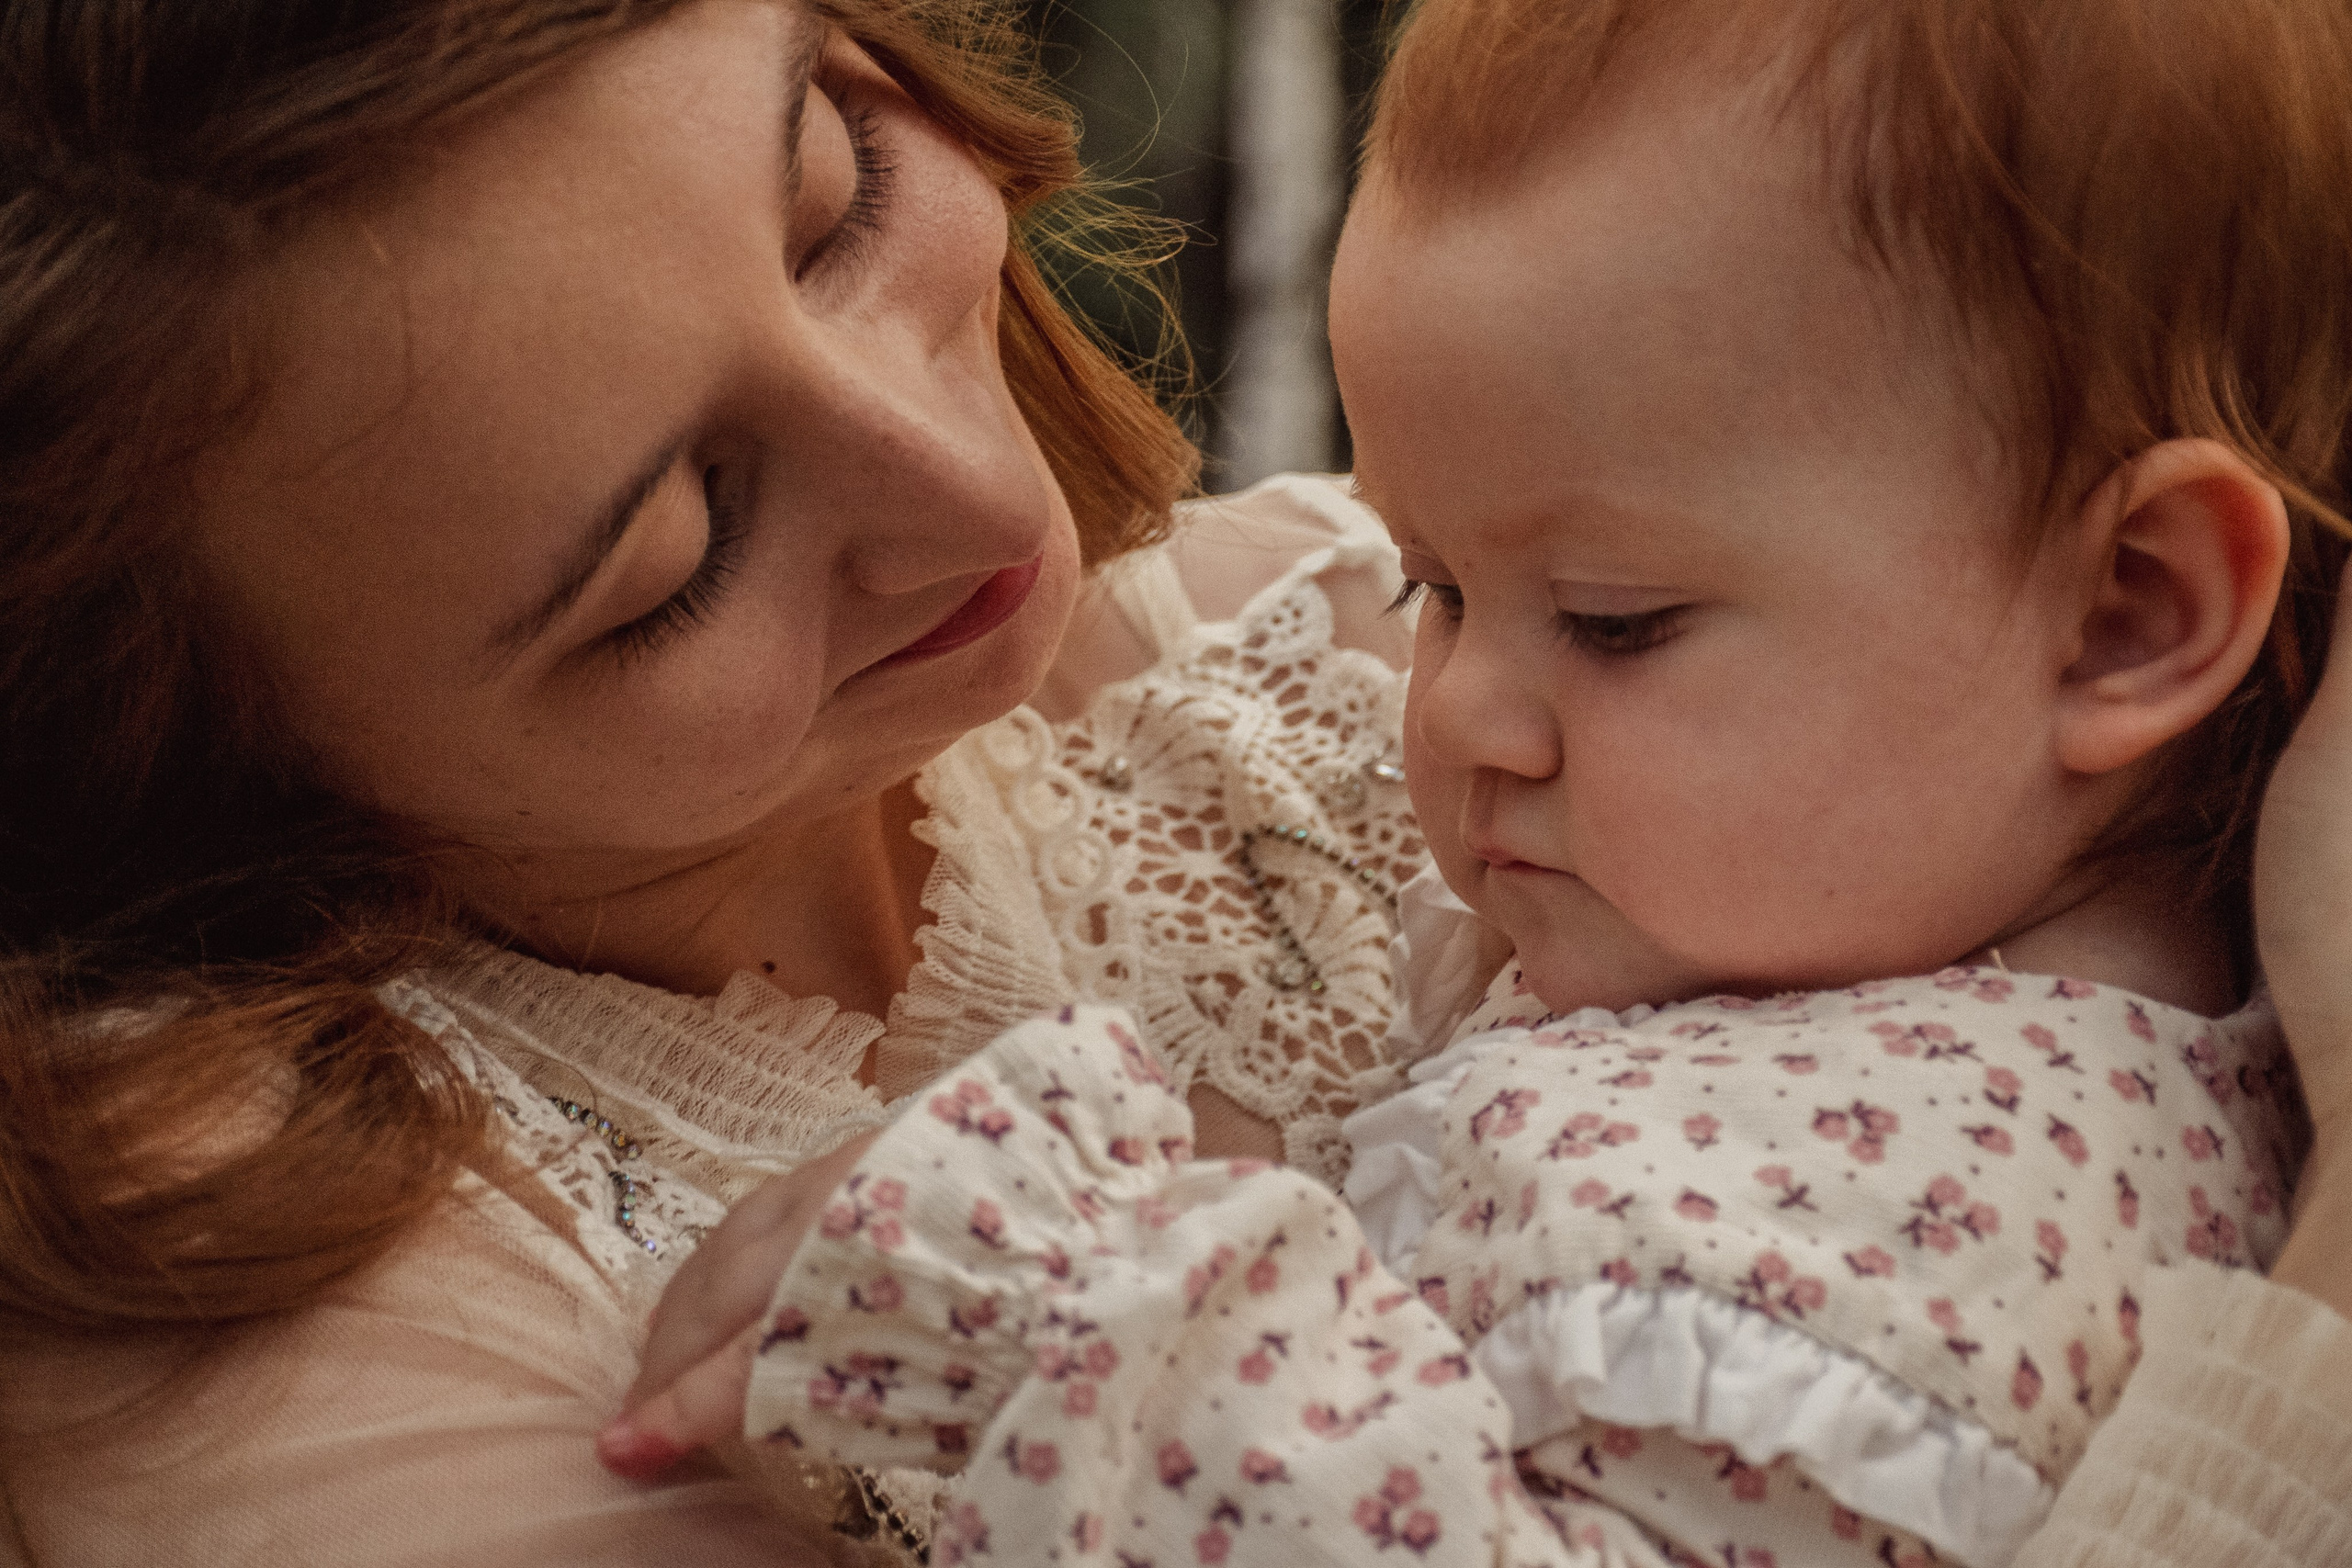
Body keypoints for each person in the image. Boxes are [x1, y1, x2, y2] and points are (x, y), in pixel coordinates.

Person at [624, 0, 2352, 1563]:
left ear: (2131, 612)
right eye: (1431, 587)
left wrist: (1068, 1302)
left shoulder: (1921, 1214)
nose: (1457, 718)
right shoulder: (1821, 971)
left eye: (1613, 621)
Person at [0, 1, 1422, 1561]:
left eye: (838, 198)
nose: (973, 492)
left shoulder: (1360, 629)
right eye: (676, 564)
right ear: (214, 750)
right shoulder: (221, 1270)